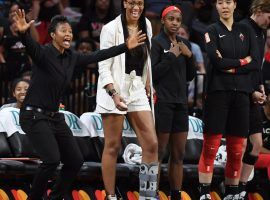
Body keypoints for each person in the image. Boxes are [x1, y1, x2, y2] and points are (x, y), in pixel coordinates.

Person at [14, 9, 146, 200]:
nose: (68, 34)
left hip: (54, 116)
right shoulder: (43, 54)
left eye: (70, 31)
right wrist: (22, 33)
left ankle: (54, 197)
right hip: (34, 115)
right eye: (63, 31)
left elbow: (99, 55)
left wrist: (125, 46)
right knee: (51, 160)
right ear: (52, 35)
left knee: (75, 161)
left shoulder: (72, 57)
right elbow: (31, 45)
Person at [95, 0, 158, 199]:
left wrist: (148, 82)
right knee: (112, 145)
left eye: (139, 3)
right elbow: (103, 65)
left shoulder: (146, 24)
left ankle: (147, 195)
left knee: (151, 144)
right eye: (131, 3)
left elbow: (146, 58)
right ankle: (111, 195)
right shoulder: (110, 28)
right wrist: (113, 93)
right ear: (124, 3)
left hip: (137, 86)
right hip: (115, 87)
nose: (136, 7)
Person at [198, 0, 260, 199]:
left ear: (234, 5)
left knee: (236, 148)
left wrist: (230, 66)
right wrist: (243, 62)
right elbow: (217, 62)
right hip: (217, 92)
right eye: (220, 2)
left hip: (242, 94)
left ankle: (232, 192)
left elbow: (255, 62)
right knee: (211, 145)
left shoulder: (246, 30)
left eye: (228, 2)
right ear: (216, 6)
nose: (224, 6)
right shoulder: (211, 30)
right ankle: (205, 192)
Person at [151, 5, 196, 200]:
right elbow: (154, 74)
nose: (175, 23)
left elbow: (190, 76)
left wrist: (190, 56)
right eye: (171, 19)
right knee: (159, 152)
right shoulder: (157, 43)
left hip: (180, 103)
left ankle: (175, 195)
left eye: (178, 20)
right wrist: (172, 55)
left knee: (178, 154)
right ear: (163, 20)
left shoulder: (183, 42)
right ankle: (151, 194)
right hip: (163, 102)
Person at [238, 1, 270, 199]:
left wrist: (260, 87)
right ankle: (231, 186)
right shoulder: (242, 27)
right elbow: (239, 64)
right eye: (269, 16)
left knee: (257, 144)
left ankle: (241, 187)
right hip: (239, 93)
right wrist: (251, 91)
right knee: (240, 145)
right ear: (258, 11)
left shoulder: (262, 31)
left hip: (254, 93)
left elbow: (257, 66)